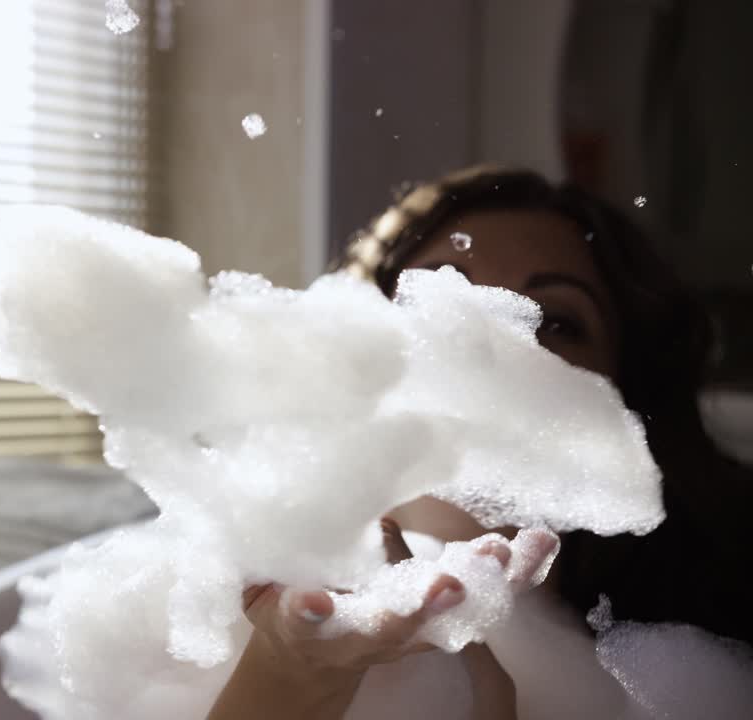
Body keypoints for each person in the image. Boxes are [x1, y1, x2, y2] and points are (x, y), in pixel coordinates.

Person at [206, 165, 753, 719]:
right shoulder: (207, 582)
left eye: (555, 321)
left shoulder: (694, 678)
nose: (485, 336)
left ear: (626, 397)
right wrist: (290, 674)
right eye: (441, 296)